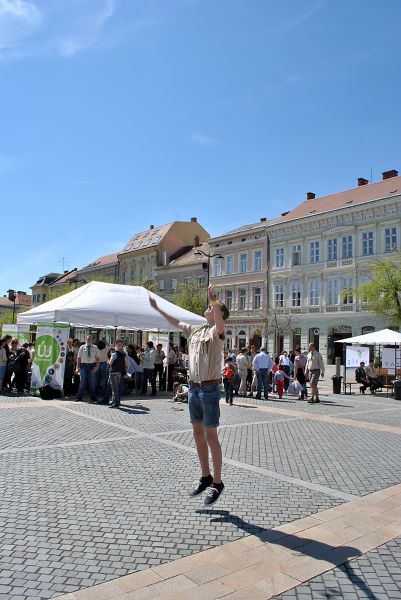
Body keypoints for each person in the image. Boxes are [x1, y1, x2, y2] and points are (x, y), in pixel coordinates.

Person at [149, 284, 228, 506]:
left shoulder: (216, 331)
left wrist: (215, 301)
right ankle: (205, 476)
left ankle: (218, 482)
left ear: (218, 312)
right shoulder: (195, 329)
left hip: (210, 389)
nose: (208, 308)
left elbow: (220, 322)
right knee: (197, 433)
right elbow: (175, 321)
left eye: (211, 308)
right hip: (193, 388)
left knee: (211, 436)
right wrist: (157, 308)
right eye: (209, 306)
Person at [75, 335, 100, 403]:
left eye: (90, 339)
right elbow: (78, 358)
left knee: (92, 382)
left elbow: (98, 358)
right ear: (86, 340)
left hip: (92, 365)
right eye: (88, 339)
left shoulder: (95, 347)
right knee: (82, 382)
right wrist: (77, 367)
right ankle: (79, 397)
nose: (89, 340)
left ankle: (93, 397)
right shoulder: (82, 347)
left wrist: (97, 367)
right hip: (83, 365)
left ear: (92, 340)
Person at [108, 340, 128, 408]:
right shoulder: (123, 354)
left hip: (113, 372)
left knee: (114, 389)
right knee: (117, 388)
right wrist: (125, 371)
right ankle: (115, 401)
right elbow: (125, 364)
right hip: (120, 372)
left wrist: (108, 360)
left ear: (116, 345)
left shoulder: (114, 354)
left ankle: (116, 403)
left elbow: (110, 363)